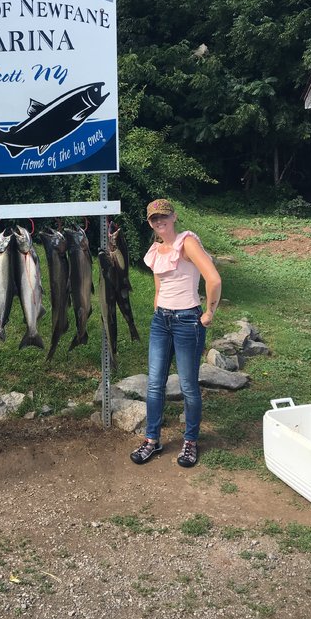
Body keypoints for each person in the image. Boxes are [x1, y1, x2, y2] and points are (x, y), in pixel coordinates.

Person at [130, 199, 222, 468]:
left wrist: (209, 312)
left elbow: (213, 279)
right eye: (154, 219)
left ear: (174, 217)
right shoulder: (156, 249)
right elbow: (159, 284)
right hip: (162, 321)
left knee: (188, 387)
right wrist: (158, 305)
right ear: (150, 223)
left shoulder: (186, 242)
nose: (159, 222)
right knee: (154, 384)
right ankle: (152, 440)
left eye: (163, 217)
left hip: (187, 321)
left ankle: (190, 441)